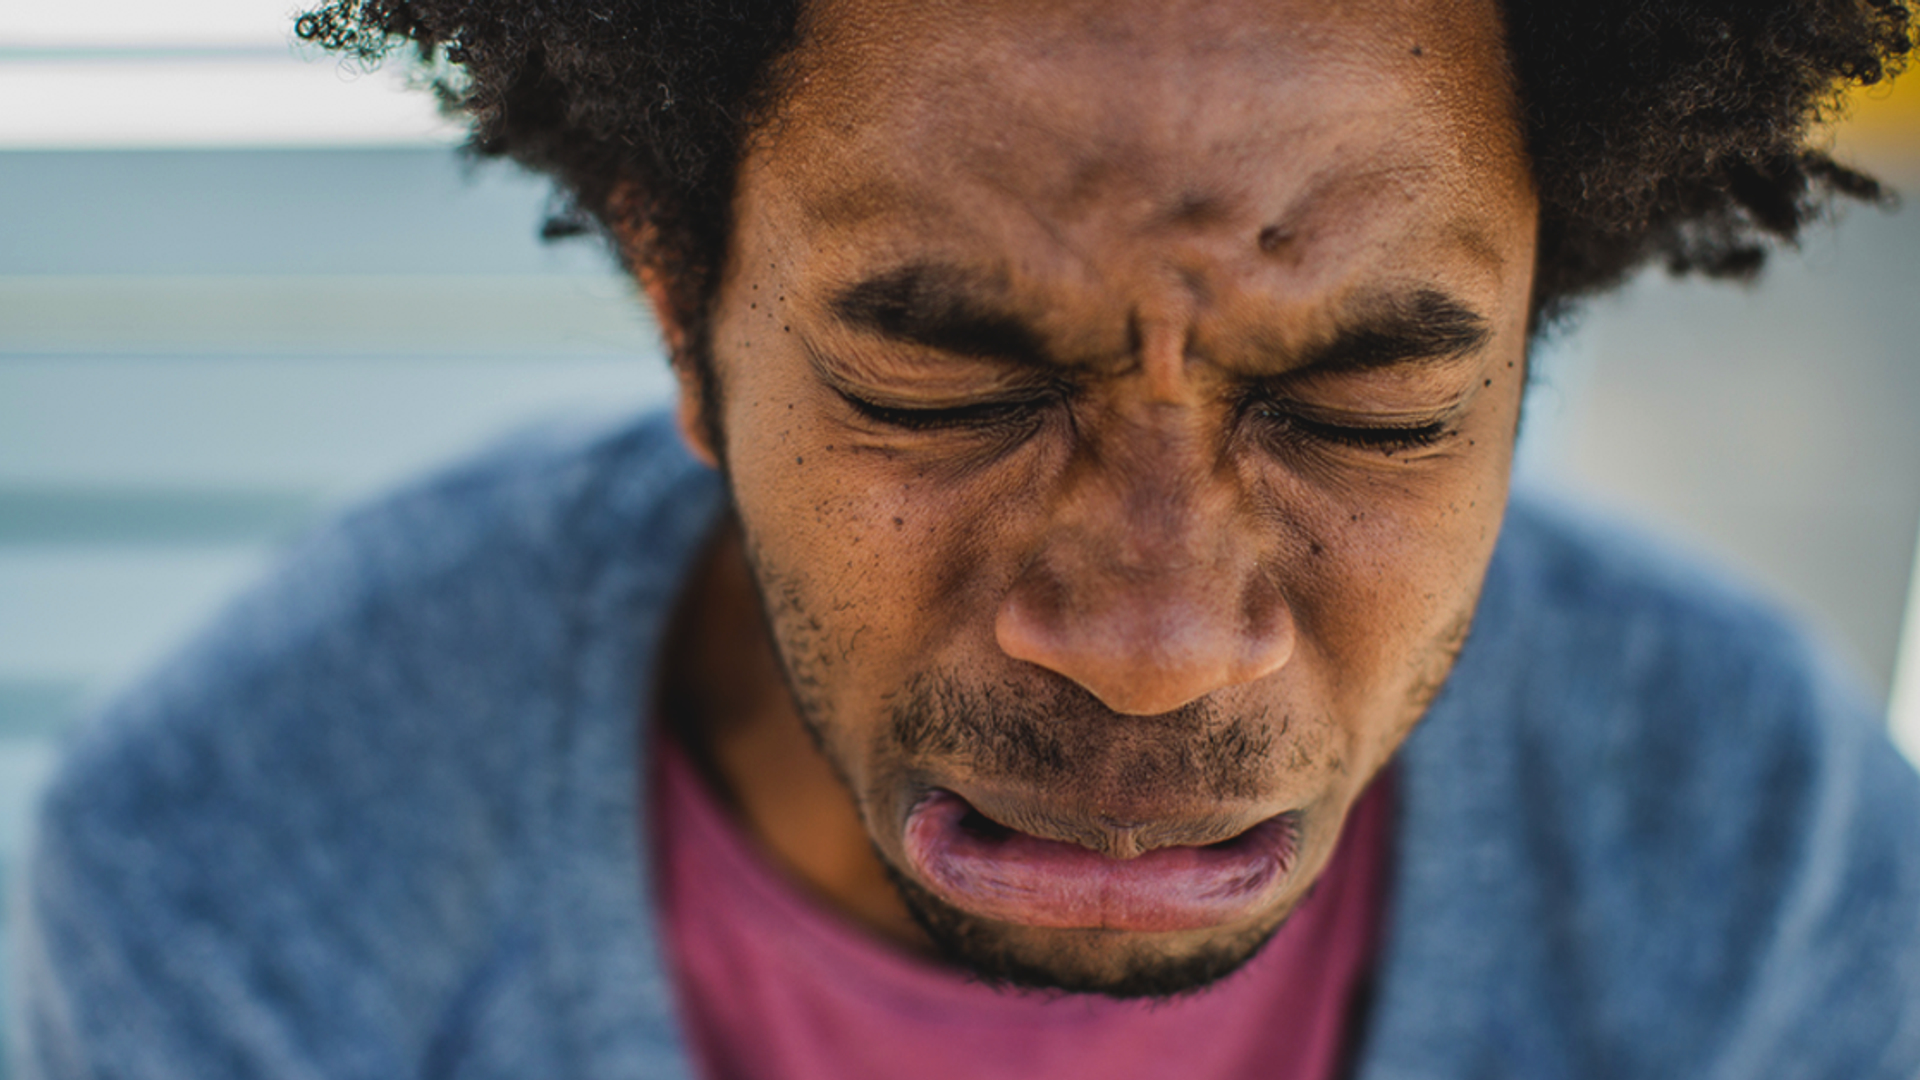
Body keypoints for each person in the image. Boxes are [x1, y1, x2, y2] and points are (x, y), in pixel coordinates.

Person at [12, 0, 1920, 1076]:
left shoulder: (1750, 845)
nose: (1158, 635)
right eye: (947, 375)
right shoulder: (247, 874)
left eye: (1365, 403)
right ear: (683, 300)